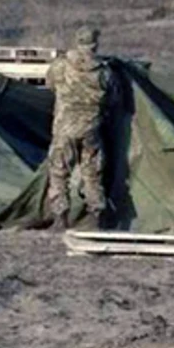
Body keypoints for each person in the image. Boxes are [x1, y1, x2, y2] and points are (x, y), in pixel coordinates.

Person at [45, 27, 118, 230]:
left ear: (77, 42)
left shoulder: (60, 66)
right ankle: (96, 217)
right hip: (91, 129)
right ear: (95, 44)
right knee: (92, 172)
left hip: (64, 128)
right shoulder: (104, 71)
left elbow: (50, 84)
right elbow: (113, 99)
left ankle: (60, 217)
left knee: (59, 172)